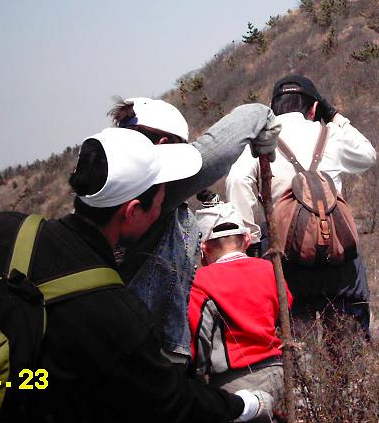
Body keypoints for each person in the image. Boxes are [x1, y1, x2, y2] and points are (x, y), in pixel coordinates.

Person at [0, 128, 274, 422]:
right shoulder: (114, 312)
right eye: (162, 195)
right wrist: (245, 405)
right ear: (132, 212)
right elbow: (170, 402)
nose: (166, 201)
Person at [107, 97, 280, 367]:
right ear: (164, 145)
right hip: (150, 357)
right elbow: (214, 152)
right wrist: (260, 113)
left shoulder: (105, 190)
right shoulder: (152, 187)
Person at [226, 75, 376, 336]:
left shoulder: (261, 142)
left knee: (295, 336)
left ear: (273, 109)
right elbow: (368, 155)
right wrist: (334, 116)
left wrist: (252, 239)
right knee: (348, 333)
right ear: (314, 108)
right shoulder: (331, 134)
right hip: (336, 255)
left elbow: (237, 180)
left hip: (286, 257)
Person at [189, 203, 292, 420]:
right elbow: (286, 313)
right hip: (280, 375)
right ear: (246, 240)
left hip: (234, 386)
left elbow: (199, 340)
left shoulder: (201, 281)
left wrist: (196, 383)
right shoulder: (270, 269)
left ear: (204, 248)